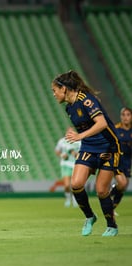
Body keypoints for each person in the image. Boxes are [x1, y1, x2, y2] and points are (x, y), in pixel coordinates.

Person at [52, 70, 121, 237]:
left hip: (108, 147)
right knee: (76, 184)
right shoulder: (69, 108)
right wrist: (81, 140)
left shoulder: (86, 100)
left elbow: (102, 123)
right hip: (89, 147)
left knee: (101, 190)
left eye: (54, 90)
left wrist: (79, 137)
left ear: (64, 89)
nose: (54, 94)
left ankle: (112, 226)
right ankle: (90, 217)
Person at [111, 107, 132, 212]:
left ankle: (112, 207)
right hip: (117, 159)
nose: (125, 117)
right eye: (123, 115)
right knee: (122, 183)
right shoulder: (116, 129)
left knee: (124, 185)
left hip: (128, 161)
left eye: (128, 115)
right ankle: (108, 196)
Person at [55, 127, 81, 207]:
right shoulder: (62, 141)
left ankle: (75, 199)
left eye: (71, 132)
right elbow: (57, 151)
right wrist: (62, 155)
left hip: (76, 164)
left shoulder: (79, 141)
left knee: (74, 185)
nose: (69, 133)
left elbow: (83, 152)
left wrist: (77, 155)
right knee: (66, 185)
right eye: (68, 132)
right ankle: (67, 198)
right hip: (65, 164)